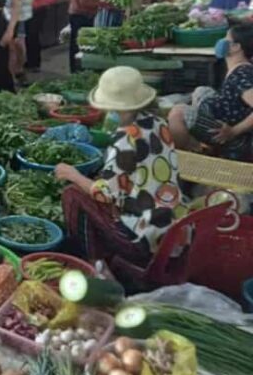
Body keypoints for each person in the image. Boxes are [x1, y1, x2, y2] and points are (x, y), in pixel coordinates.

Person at [55, 67, 187, 264]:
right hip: (174, 228)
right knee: (94, 185)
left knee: (72, 194)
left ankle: (93, 263)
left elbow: (105, 194)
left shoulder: (124, 142)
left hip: (144, 240)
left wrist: (72, 174)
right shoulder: (159, 123)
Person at [169, 25, 253, 161]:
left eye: (226, 38)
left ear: (236, 47)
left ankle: (191, 156)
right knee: (201, 91)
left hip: (233, 138)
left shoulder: (241, 76)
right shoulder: (240, 68)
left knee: (177, 113)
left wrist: (233, 132)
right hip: (227, 119)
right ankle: (204, 144)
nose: (221, 41)